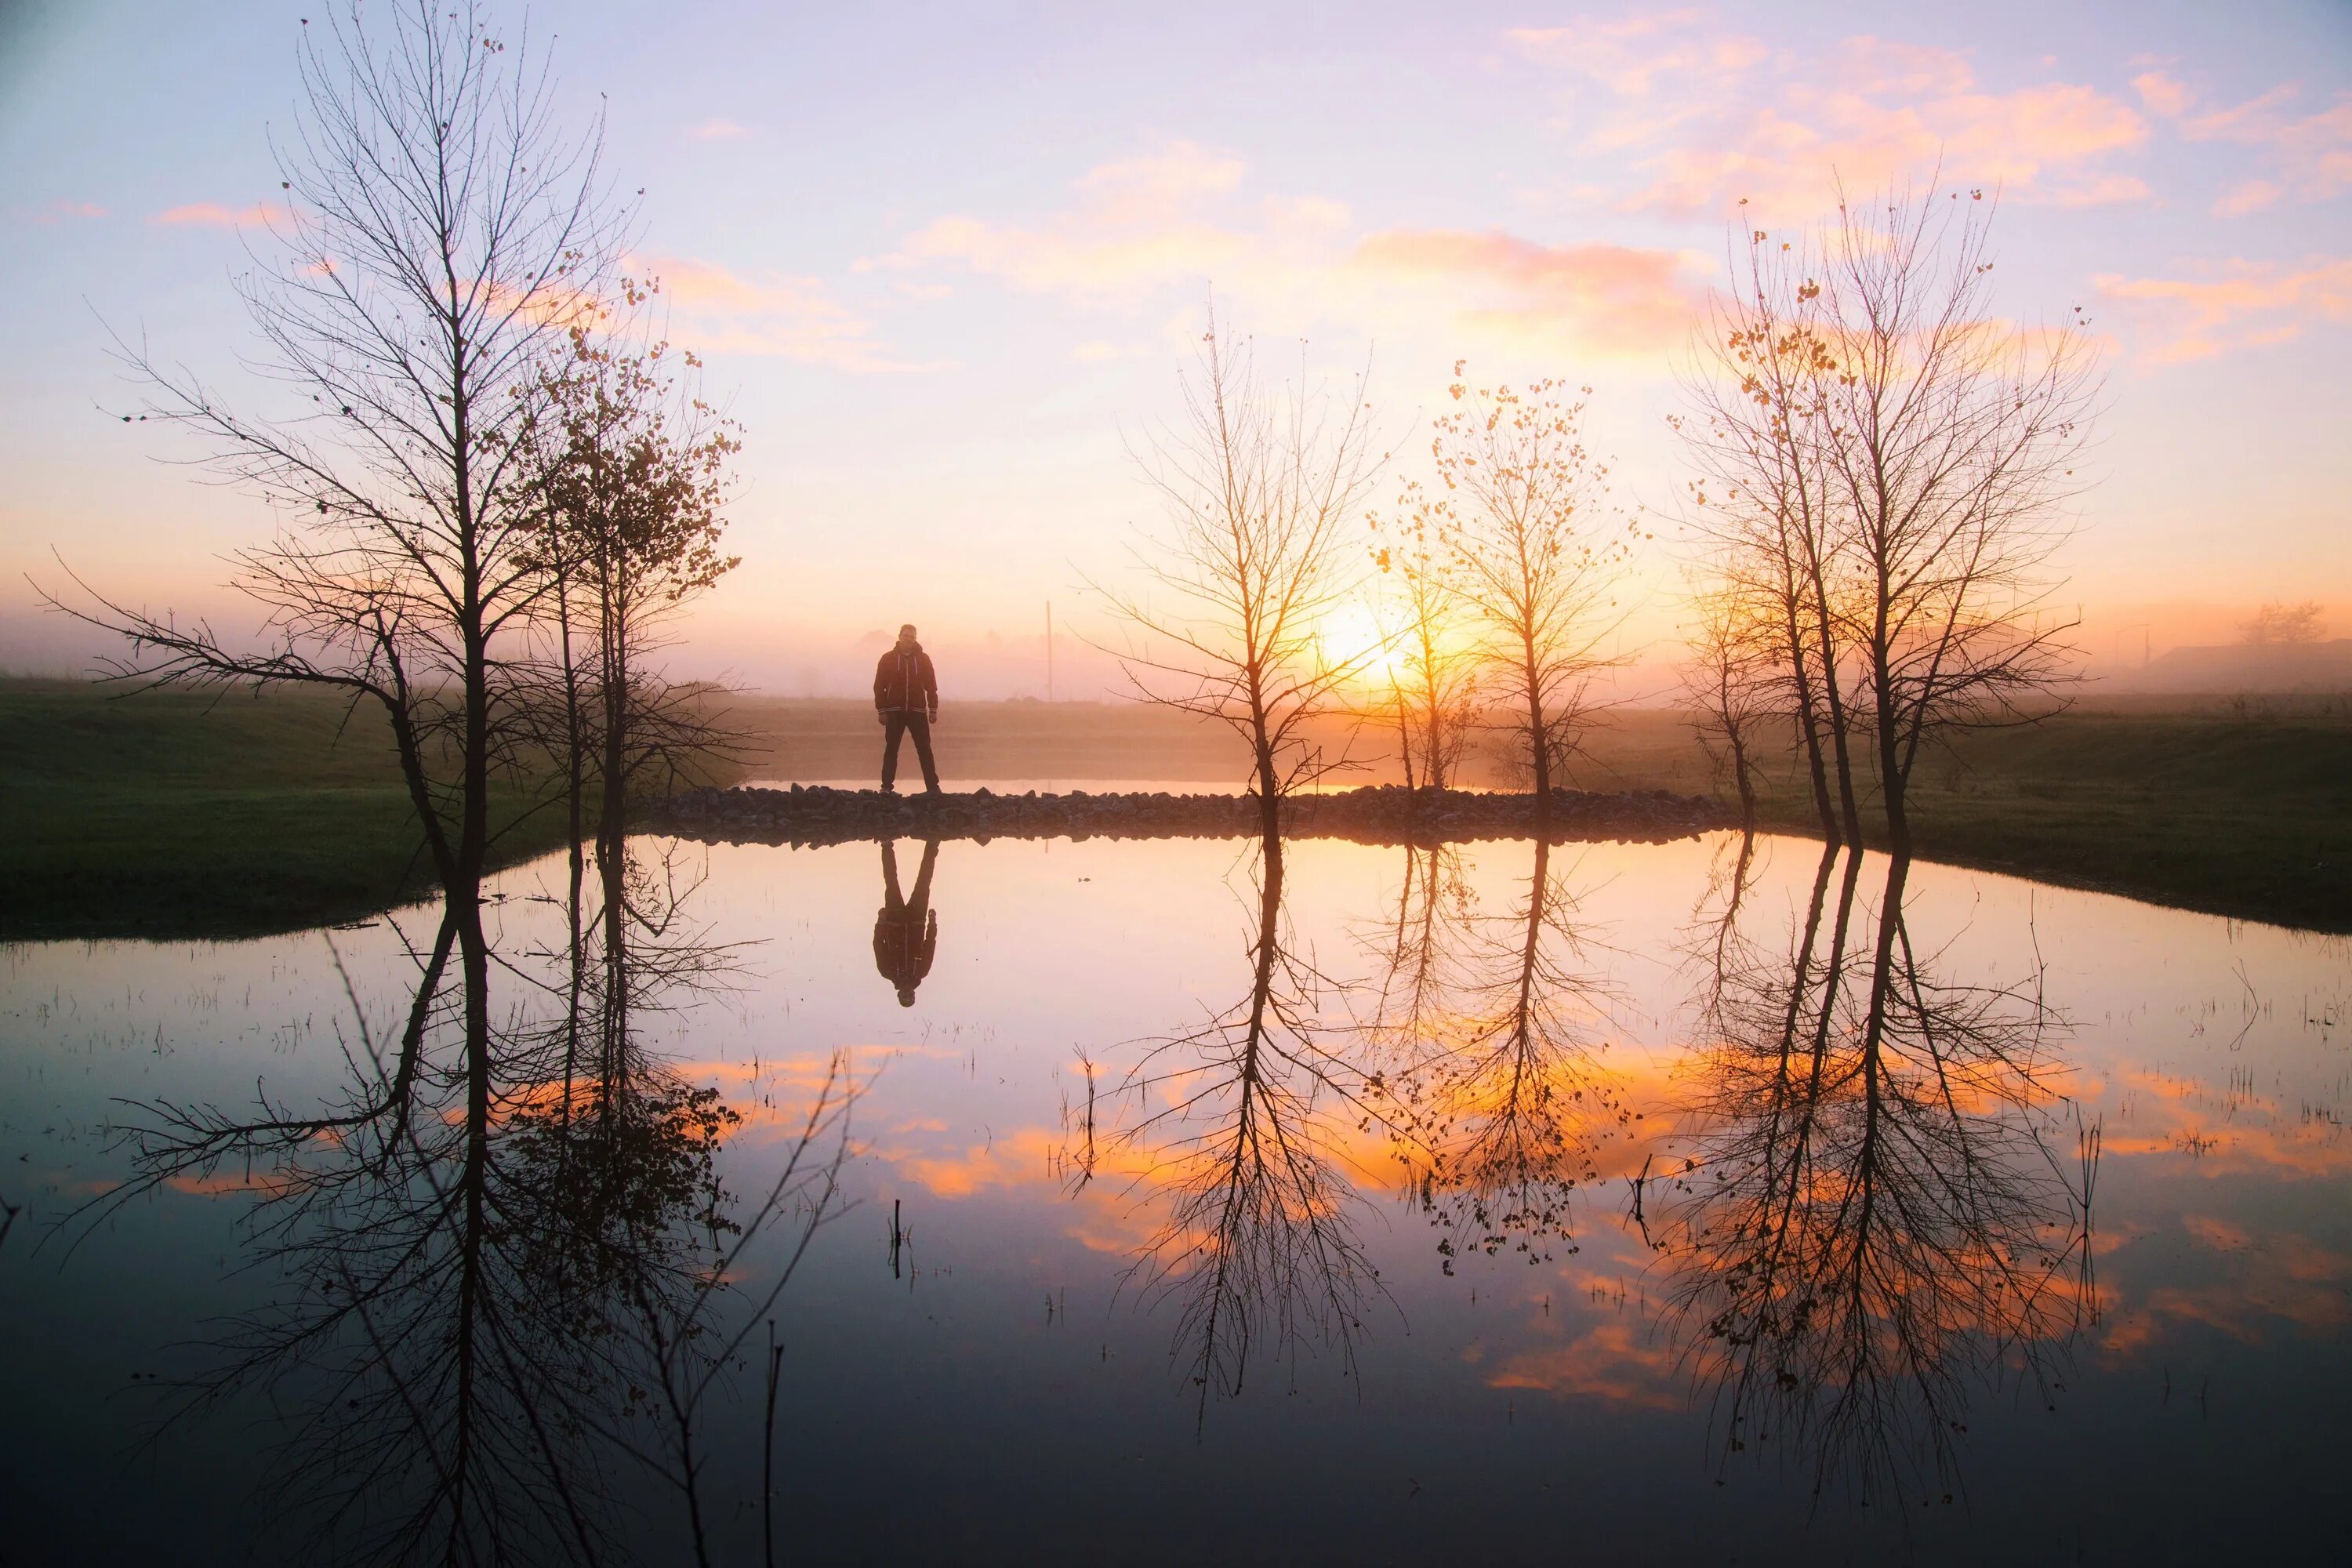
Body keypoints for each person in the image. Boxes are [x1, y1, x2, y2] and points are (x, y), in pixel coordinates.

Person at [873, 622, 941, 794]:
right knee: (891, 749)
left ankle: (933, 788)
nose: (909, 640)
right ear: (900, 637)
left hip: (918, 711)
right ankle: (886, 787)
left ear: (915, 639)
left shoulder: (924, 659)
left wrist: (933, 708)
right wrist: (881, 711)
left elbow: (931, 685)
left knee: (925, 749)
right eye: (906, 636)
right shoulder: (887, 658)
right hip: (894, 711)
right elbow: (879, 686)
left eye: (912, 637)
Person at [873, 837, 939, 1007]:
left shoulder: (887, 972)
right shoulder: (922, 971)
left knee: (891, 881)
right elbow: (930, 943)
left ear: (899, 995)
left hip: (894, 920)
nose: (908, 993)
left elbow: (878, 943)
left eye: (905, 996)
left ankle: (886, 845)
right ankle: (932, 843)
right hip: (917, 919)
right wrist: (932, 922)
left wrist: (881, 922)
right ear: (914, 994)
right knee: (924, 882)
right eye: (911, 996)